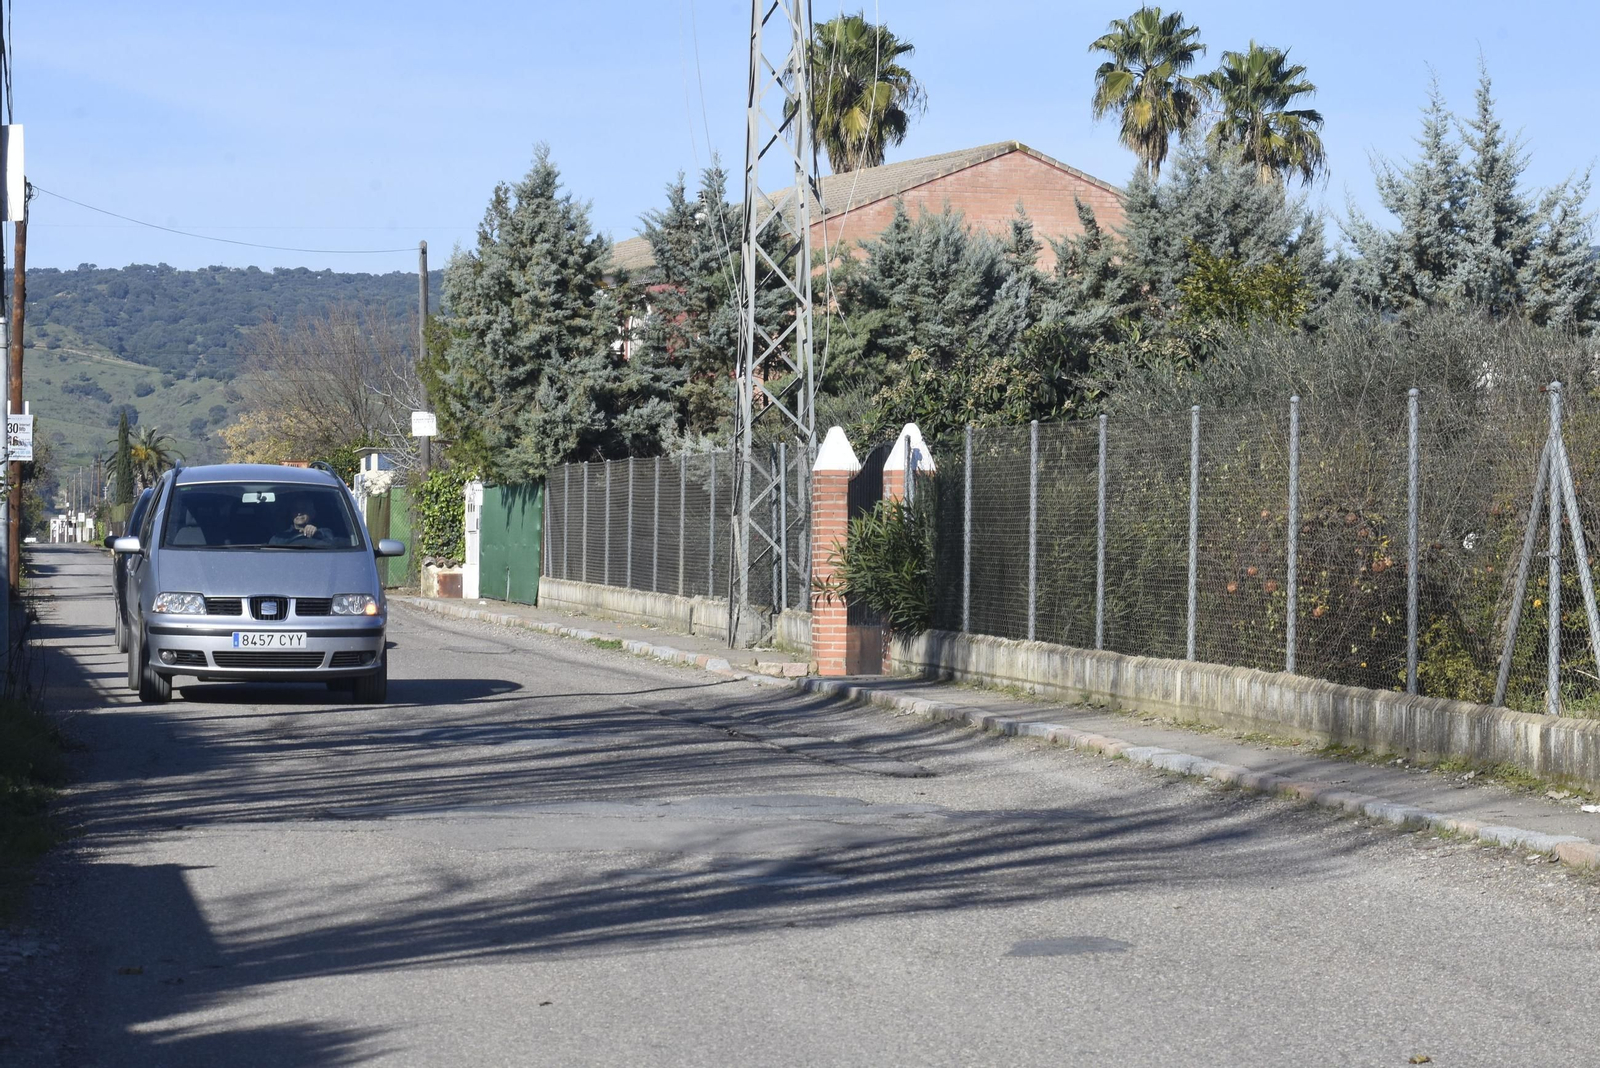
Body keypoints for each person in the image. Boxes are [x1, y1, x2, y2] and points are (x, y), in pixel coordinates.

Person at [269, 496, 334, 546]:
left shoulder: (325, 532)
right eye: (295, 509)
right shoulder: (280, 538)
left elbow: (334, 544)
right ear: (291, 514)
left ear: (313, 513)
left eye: (304, 509)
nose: (299, 513)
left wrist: (317, 533)